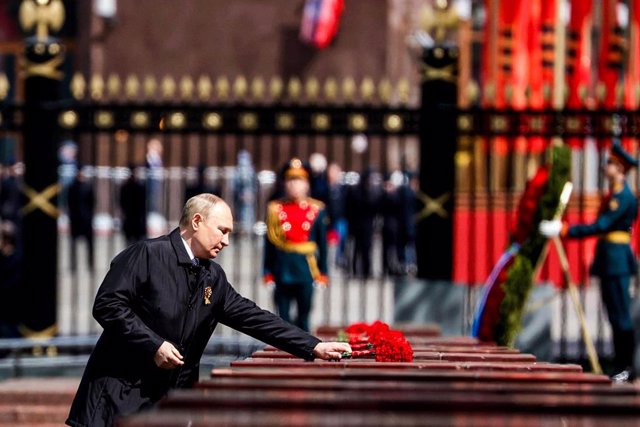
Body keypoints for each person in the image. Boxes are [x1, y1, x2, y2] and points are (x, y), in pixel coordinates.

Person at [66, 193, 350, 427]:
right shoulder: (148, 254)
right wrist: (154, 345)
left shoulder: (213, 276)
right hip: (118, 397)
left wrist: (313, 346)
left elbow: (255, 318)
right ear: (197, 221)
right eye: (222, 230)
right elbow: (108, 305)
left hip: (169, 402)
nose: (226, 241)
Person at [539, 143, 639, 383]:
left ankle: (627, 367)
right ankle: (620, 364)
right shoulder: (614, 195)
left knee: (621, 317)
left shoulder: (623, 197)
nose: (606, 167)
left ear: (621, 169)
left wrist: (564, 229)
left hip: (617, 261)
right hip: (609, 260)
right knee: (614, 315)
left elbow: (601, 226)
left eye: (611, 164)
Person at [263, 158, 328, 332]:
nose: (295, 185)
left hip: (305, 269)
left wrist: (323, 272)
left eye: (299, 180)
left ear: (307, 184)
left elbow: (323, 244)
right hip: (282, 268)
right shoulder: (275, 209)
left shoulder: (316, 210)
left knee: (304, 317)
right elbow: (269, 243)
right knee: (282, 319)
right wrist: (267, 271)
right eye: (291, 180)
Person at [67, 166, 95, 271]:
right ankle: (73, 265)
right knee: (73, 244)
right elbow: (70, 203)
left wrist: (90, 216)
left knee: (90, 244)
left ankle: (90, 264)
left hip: (86, 219)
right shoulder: (72, 186)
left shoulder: (88, 186)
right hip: (75, 219)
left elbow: (92, 202)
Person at [119, 165, 147, 246]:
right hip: (131, 219)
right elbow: (122, 203)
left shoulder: (140, 187)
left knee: (135, 244)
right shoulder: (126, 187)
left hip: (136, 220)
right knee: (130, 243)